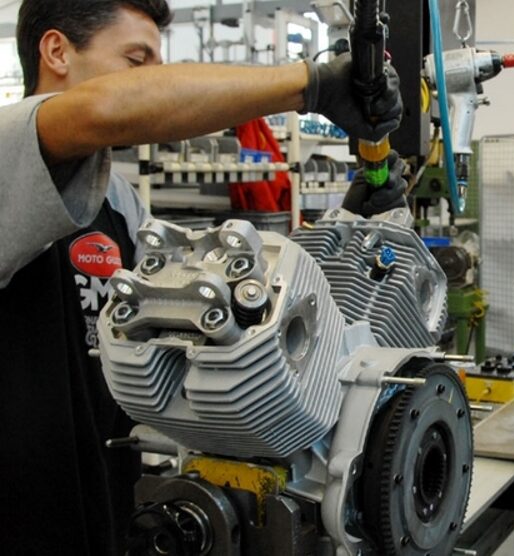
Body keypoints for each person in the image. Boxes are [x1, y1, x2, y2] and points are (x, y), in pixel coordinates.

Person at [0, 1, 404, 554]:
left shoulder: (118, 201)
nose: (154, 81)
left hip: (107, 505)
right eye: (136, 60)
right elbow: (99, 110)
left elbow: (206, 314)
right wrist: (309, 85)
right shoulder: (5, 152)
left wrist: (347, 228)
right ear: (56, 51)